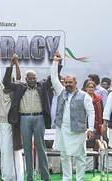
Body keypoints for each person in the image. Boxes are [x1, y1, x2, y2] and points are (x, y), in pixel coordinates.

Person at [3, 56, 52, 181]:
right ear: (26, 79)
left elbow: (53, 78)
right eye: (30, 78)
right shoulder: (20, 87)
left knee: (41, 148)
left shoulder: (42, 86)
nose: (32, 80)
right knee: (27, 149)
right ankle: (30, 177)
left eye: (34, 78)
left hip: (39, 118)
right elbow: (6, 83)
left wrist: (57, 63)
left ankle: (45, 176)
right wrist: (11, 66)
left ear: (37, 78)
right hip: (24, 119)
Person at [51, 52, 95, 181]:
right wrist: (55, 62)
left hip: (78, 130)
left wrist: (90, 129)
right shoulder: (61, 92)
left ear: (76, 83)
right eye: (66, 82)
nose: (68, 84)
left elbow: (90, 112)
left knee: (80, 156)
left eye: (70, 82)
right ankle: (67, 178)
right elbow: (54, 78)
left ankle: (80, 178)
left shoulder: (84, 96)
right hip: (63, 129)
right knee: (64, 155)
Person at [0, 53, 24, 181]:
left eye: (11, 79)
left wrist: (15, 63)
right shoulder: (1, 88)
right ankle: (7, 177)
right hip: (3, 122)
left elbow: (19, 76)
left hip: (15, 122)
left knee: (16, 150)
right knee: (4, 150)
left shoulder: (16, 89)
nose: (10, 81)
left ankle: (18, 177)